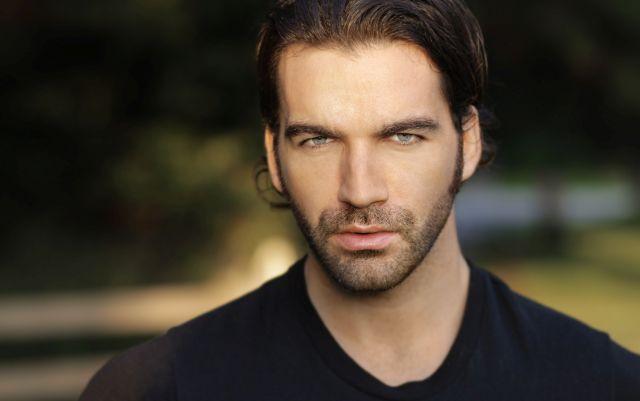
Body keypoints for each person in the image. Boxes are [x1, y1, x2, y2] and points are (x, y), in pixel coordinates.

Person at [79, 0, 640, 400]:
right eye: (318, 140)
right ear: (274, 154)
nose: (360, 190)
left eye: (403, 137)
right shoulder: (159, 388)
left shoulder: (601, 383)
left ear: (467, 143)